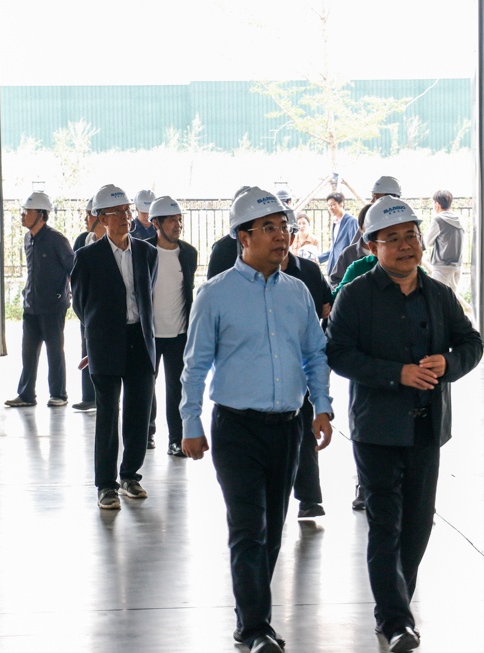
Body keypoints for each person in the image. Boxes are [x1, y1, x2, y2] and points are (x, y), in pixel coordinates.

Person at [326, 196, 483, 653]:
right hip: (378, 429)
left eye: (410, 236)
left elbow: (471, 342)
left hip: (426, 429)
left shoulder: (438, 294)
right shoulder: (356, 296)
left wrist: (448, 363)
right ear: (372, 247)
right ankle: (395, 620)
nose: (405, 246)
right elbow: (339, 354)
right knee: (385, 524)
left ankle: (398, 607)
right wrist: (397, 373)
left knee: (418, 525)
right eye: (391, 239)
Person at [180, 187, 333, 653]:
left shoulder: (298, 293)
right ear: (243, 237)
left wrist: (321, 407)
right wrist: (190, 423)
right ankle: (254, 628)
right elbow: (195, 365)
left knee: (272, 530)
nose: (281, 236)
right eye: (268, 228)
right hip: (236, 429)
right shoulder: (215, 294)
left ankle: (252, 615)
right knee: (248, 528)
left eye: (284, 227)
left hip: (288, 427)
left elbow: (315, 354)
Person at [71, 184, 157, 509]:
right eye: (116, 213)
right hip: (105, 342)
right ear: (102, 219)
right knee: (107, 413)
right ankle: (106, 485)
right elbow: (80, 304)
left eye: (127, 211)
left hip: (140, 341)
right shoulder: (87, 257)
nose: (125, 217)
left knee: (139, 412)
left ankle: (130, 476)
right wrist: (98, 334)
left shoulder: (147, 253)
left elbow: (147, 295)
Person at [280, 216, 333, 519]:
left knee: (305, 428)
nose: (281, 237)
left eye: (286, 231)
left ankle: (309, 498)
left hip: (302, 364)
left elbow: (326, 306)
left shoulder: (310, 271)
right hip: (265, 368)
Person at [4, 191, 74, 408]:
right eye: (23, 211)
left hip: (53, 307)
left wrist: (68, 294)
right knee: (28, 353)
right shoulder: (28, 239)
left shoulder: (56, 239)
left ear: (41, 215)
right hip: (31, 306)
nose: (23, 215)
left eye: (28, 211)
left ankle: (59, 395)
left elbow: (72, 268)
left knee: (55, 352)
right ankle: (26, 395)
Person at [144, 196, 197, 457]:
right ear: (156, 223)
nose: (178, 225)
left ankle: (176, 439)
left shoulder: (189, 253)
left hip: (179, 334)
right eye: (171, 220)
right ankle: (146, 433)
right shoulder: (143, 252)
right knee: (145, 387)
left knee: (177, 389)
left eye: (179, 219)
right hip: (149, 335)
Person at [72, 197, 103, 412]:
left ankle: (106, 397)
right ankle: (88, 396)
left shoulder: (119, 242)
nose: (85, 219)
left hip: (108, 310)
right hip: (88, 308)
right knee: (87, 350)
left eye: (89, 215)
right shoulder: (82, 241)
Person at [423, 190, 464, 293]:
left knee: (439, 297)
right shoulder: (460, 219)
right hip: (457, 266)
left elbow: (427, 242)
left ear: (437, 204)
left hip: (442, 267)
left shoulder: (438, 220)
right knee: (452, 297)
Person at [330, 203, 373, 286]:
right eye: (369, 224)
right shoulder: (348, 254)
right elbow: (335, 281)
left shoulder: (389, 252)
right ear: (361, 227)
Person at [318, 191, 358, 278]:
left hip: (345, 270)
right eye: (329, 205)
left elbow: (355, 247)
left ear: (341, 204)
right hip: (333, 269)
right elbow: (334, 248)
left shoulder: (351, 222)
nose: (330, 208)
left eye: (333, 204)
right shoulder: (335, 223)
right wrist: (319, 259)